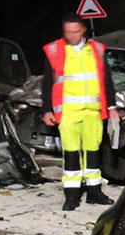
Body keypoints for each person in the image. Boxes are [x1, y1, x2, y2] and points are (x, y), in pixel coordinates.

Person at [41, 13, 116, 211]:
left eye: (75, 31)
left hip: (93, 111)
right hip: (67, 112)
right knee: (71, 153)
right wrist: (47, 109)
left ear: (83, 30)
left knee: (93, 152)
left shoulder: (97, 49)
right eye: (67, 32)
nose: (71, 36)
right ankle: (72, 196)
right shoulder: (55, 50)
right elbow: (47, 82)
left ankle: (94, 192)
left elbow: (107, 80)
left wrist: (112, 107)